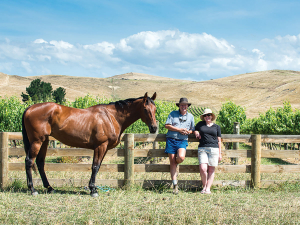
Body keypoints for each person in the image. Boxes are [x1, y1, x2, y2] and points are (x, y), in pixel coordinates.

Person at [164, 97, 195, 194]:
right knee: (172, 163)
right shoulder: (172, 114)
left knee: (181, 157)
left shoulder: (191, 116)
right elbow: (167, 125)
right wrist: (179, 129)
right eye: (182, 105)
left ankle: (176, 163)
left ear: (188, 106)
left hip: (182, 140)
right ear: (179, 106)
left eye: (185, 105)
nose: (183, 106)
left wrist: (187, 131)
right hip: (171, 140)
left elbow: (192, 130)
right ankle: (175, 185)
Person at [194, 108, 222, 194]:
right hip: (202, 148)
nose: (207, 117)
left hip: (214, 149)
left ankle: (208, 188)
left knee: (211, 169)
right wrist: (196, 133)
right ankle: (204, 186)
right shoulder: (200, 124)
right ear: (203, 117)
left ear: (212, 116)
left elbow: (219, 140)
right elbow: (194, 129)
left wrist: (220, 153)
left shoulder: (217, 127)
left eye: (208, 115)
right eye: (205, 115)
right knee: (203, 168)